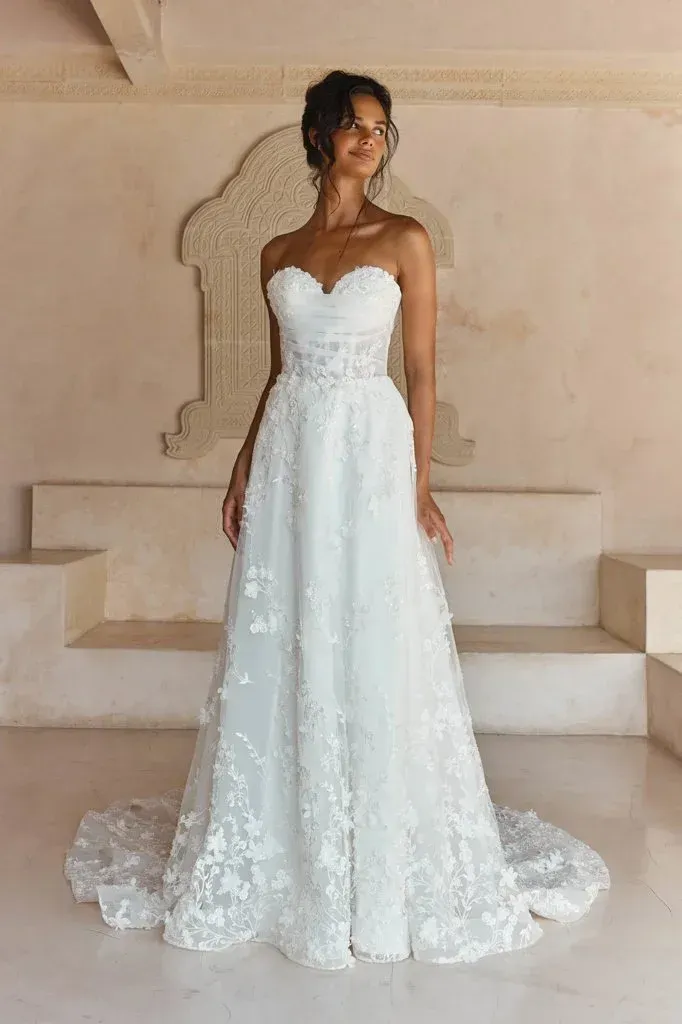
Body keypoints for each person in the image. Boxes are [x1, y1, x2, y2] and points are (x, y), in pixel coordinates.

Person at [65, 70, 609, 970]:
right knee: (288, 633)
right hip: (291, 455)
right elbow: (278, 375)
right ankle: (286, 837)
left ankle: (376, 851)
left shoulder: (405, 239)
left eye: (382, 129)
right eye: (355, 125)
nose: (371, 140)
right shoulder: (275, 252)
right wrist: (244, 462)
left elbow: (425, 372)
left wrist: (418, 482)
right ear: (318, 135)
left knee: (369, 624)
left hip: (365, 448)